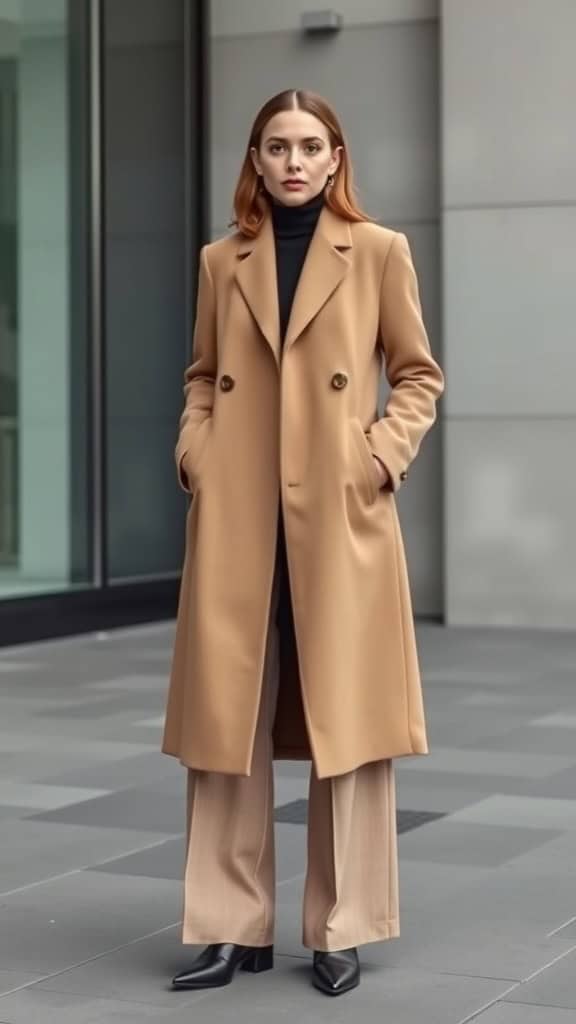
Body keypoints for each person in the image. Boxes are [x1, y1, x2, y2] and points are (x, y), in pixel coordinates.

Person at [162, 89, 444, 997]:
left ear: (335, 159)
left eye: (309, 146)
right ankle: (227, 925)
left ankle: (342, 925)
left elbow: (417, 374)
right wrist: (197, 453)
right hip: (239, 516)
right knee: (226, 724)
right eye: (275, 146)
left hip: (341, 516)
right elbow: (203, 377)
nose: (292, 161)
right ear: (255, 158)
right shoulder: (221, 260)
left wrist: (379, 456)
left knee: (348, 724)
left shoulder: (379, 252)